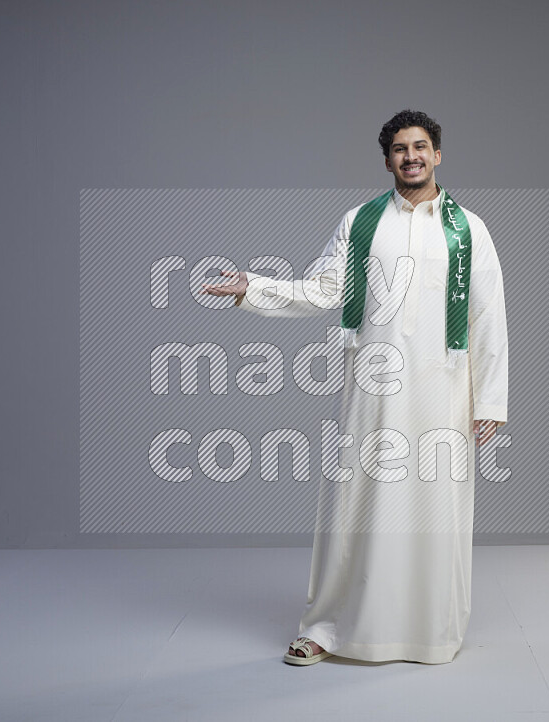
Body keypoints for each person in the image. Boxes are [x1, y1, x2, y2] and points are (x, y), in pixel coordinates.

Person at [201, 109, 508, 665]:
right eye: (398, 148)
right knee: (355, 504)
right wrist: (256, 286)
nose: (410, 156)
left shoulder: (470, 230)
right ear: (388, 159)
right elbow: (321, 290)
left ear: (437, 154)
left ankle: (428, 630)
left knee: (434, 508)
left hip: (443, 388)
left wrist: (489, 398)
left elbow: (489, 317)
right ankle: (328, 627)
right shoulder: (361, 222)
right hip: (372, 387)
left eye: (420, 147)